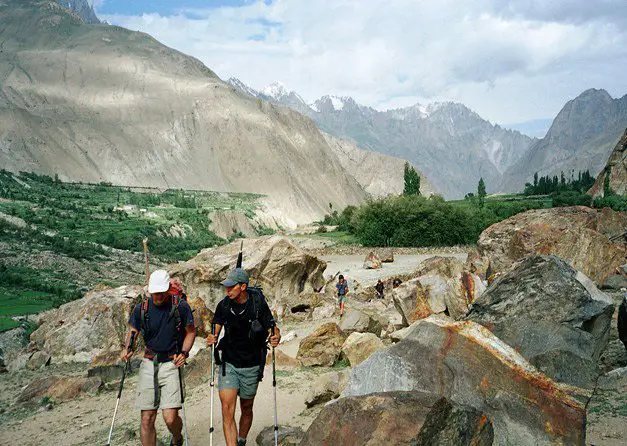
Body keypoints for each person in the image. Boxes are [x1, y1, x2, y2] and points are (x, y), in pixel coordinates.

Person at [120, 270, 196, 446]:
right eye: (155, 292)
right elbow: (133, 330)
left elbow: (191, 332)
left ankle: (177, 437)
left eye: (161, 292)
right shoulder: (142, 309)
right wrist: (127, 348)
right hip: (149, 363)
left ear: (169, 288)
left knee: (170, 418)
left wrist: (184, 353)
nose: (158, 296)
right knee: (147, 418)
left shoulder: (181, 307)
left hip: (171, 363)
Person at [208, 268, 281, 446]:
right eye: (226, 287)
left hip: (252, 362)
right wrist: (212, 337)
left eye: (231, 287)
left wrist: (276, 337)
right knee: (227, 408)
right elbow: (215, 327)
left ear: (243, 286)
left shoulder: (257, 304)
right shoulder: (223, 305)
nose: (227, 290)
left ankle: (241, 440)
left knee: (246, 407)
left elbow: (273, 327)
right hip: (229, 363)